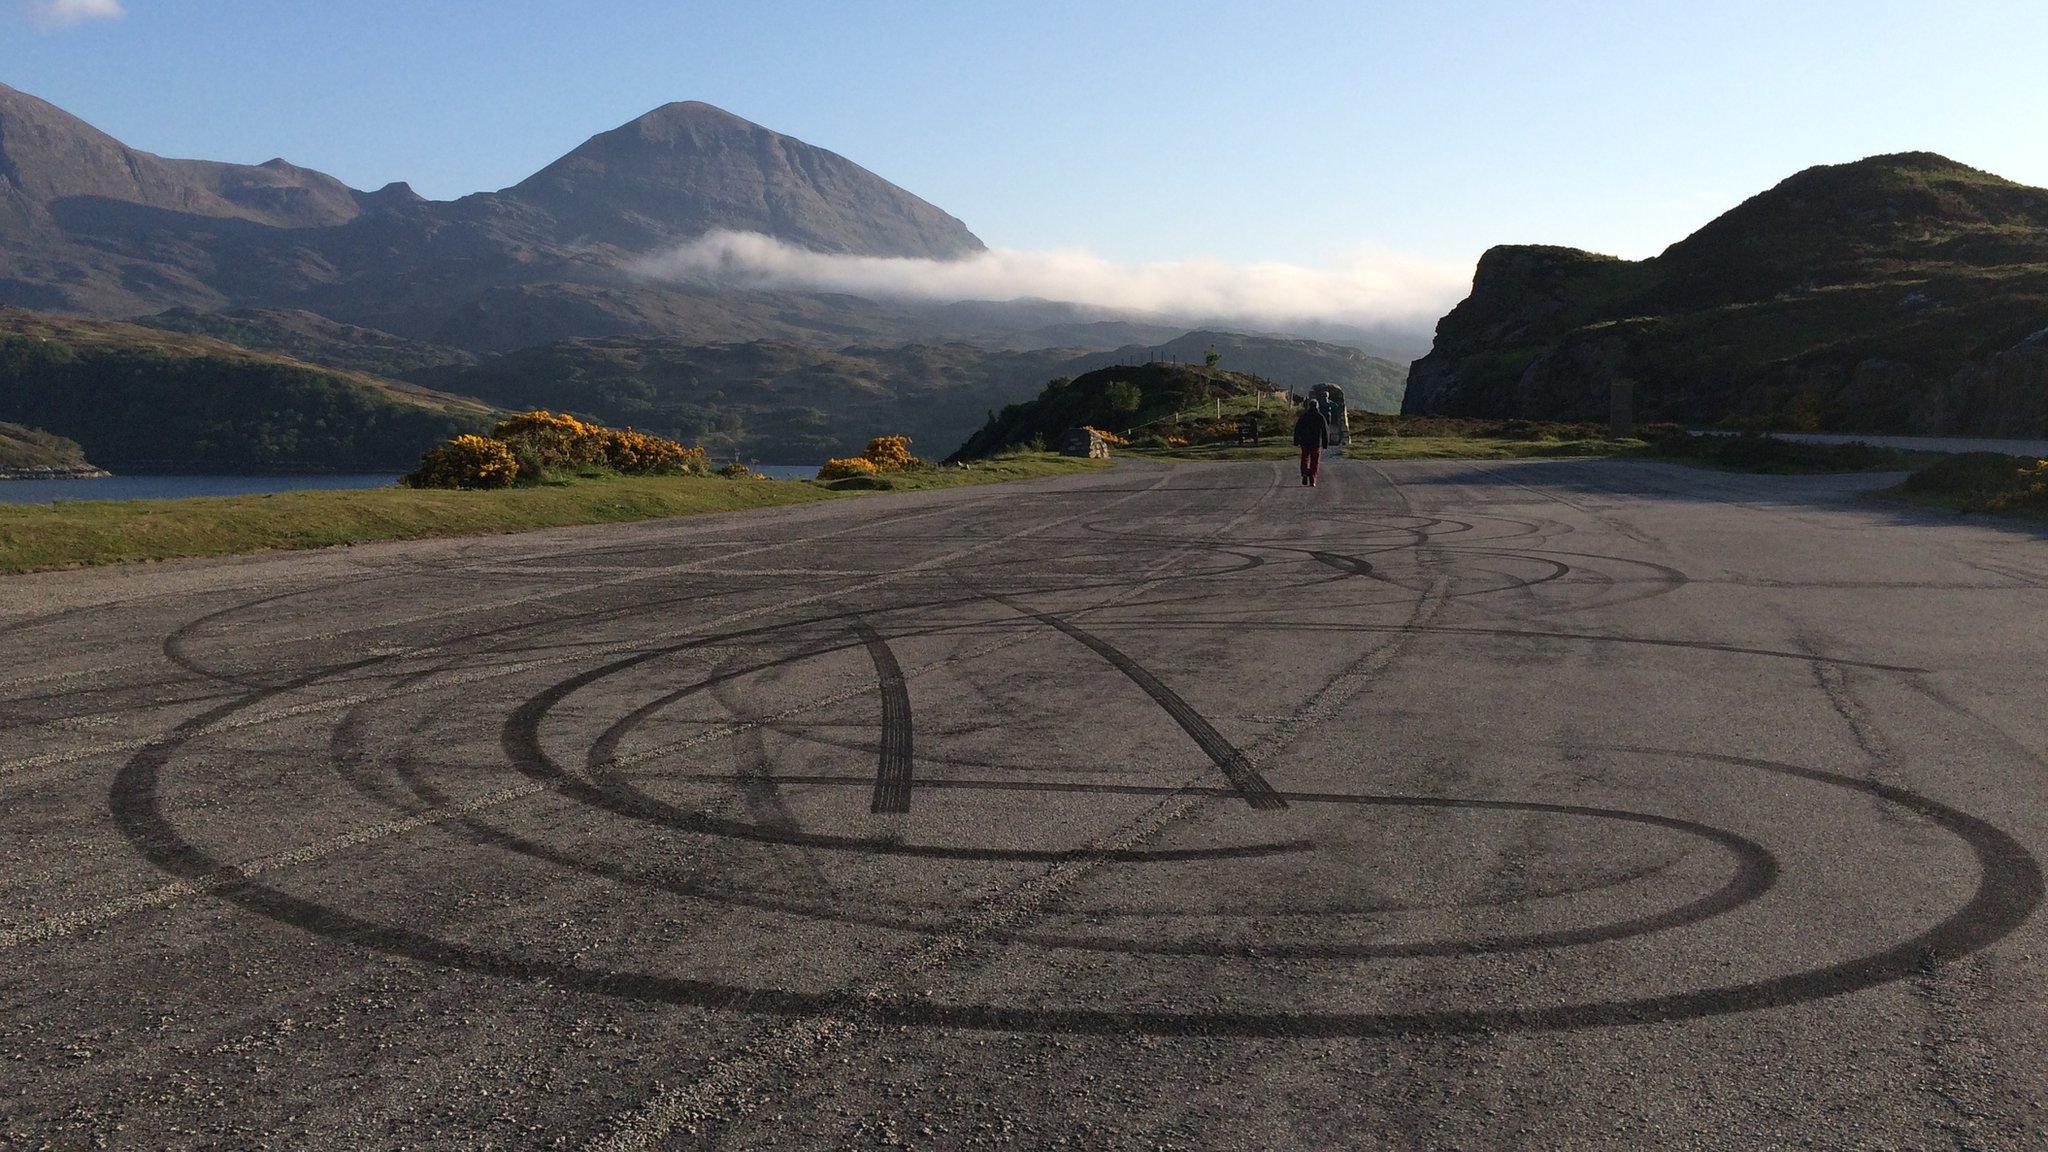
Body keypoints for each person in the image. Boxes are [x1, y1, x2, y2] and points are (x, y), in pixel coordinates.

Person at [1292, 397, 1327, 487]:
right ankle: (1312, 479)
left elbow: (1297, 429)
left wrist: (1296, 440)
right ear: (1317, 407)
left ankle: (1304, 472)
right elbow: (1325, 431)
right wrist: (1325, 442)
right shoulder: (1320, 417)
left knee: (1305, 458)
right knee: (1314, 461)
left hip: (1305, 441)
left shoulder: (1304, 416)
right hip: (1316, 442)